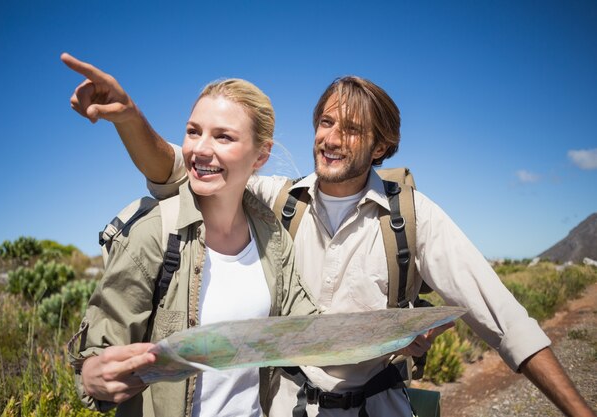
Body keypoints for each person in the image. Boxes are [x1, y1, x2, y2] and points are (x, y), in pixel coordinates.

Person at [65, 56, 595, 417]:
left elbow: (503, 320)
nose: (330, 139)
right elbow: (186, 166)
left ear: (381, 144)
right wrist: (129, 119)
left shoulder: (413, 217)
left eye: (351, 129)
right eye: (324, 122)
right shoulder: (274, 198)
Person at [62, 53, 317, 417]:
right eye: (193, 131)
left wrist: (396, 337)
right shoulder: (155, 233)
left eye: (223, 136)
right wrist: (92, 375)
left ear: (261, 155)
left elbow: (311, 329)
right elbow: (97, 356)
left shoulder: (272, 238)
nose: (199, 149)